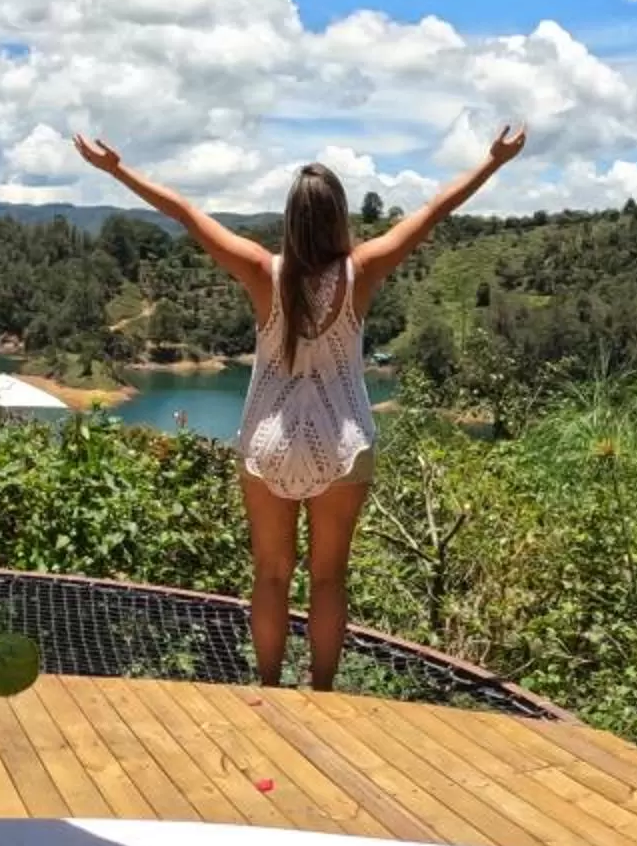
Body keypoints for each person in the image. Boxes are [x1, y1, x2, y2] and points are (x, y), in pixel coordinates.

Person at [70, 127, 528, 690]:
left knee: (270, 577)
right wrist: (492, 160)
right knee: (329, 580)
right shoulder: (363, 271)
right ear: (338, 218)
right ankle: (323, 694)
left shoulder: (263, 272)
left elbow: (186, 213)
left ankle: (268, 688)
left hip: (269, 442)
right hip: (344, 442)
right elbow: (434, 210)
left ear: (290, 219)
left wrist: (116, 168)